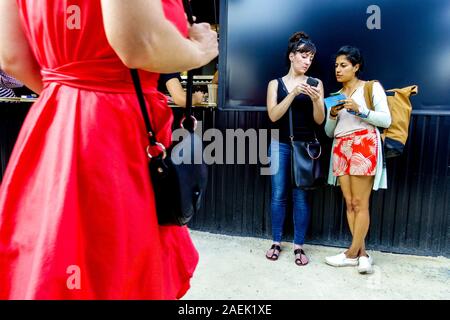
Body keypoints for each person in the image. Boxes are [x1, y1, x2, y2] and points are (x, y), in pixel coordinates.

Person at [0, 0, 218, 299]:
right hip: (114, 132)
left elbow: (12, 58)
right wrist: (200, 51)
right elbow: (138, 42)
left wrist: (72, 95)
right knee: (117, 271)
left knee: (56, 256)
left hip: (52, 124)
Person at [324, 46, 391, 274]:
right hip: (341, 146)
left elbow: (386, 120)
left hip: (364, 144)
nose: (338, 70)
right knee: (350, 202)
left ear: (356, 66)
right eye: (336, 66)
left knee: (361, 203)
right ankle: (362, 254)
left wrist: (360, 110)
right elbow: (329, 132)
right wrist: (332, 115)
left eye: (343, 65)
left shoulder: (371, 88)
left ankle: (351, 253)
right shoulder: (334, 97)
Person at [265, 32, 325, 266]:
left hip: (305, 147)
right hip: (279, 144)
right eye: (303, 55)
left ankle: (299, 246)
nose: (307, 60)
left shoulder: (316, 83)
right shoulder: (275, 84)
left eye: (310, 57)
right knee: (278, 195)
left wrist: (316, 100)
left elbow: (320, 121)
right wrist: (292, 94)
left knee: (302, 197)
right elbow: (273, 115)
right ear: (291, 56)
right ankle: (276, 242)